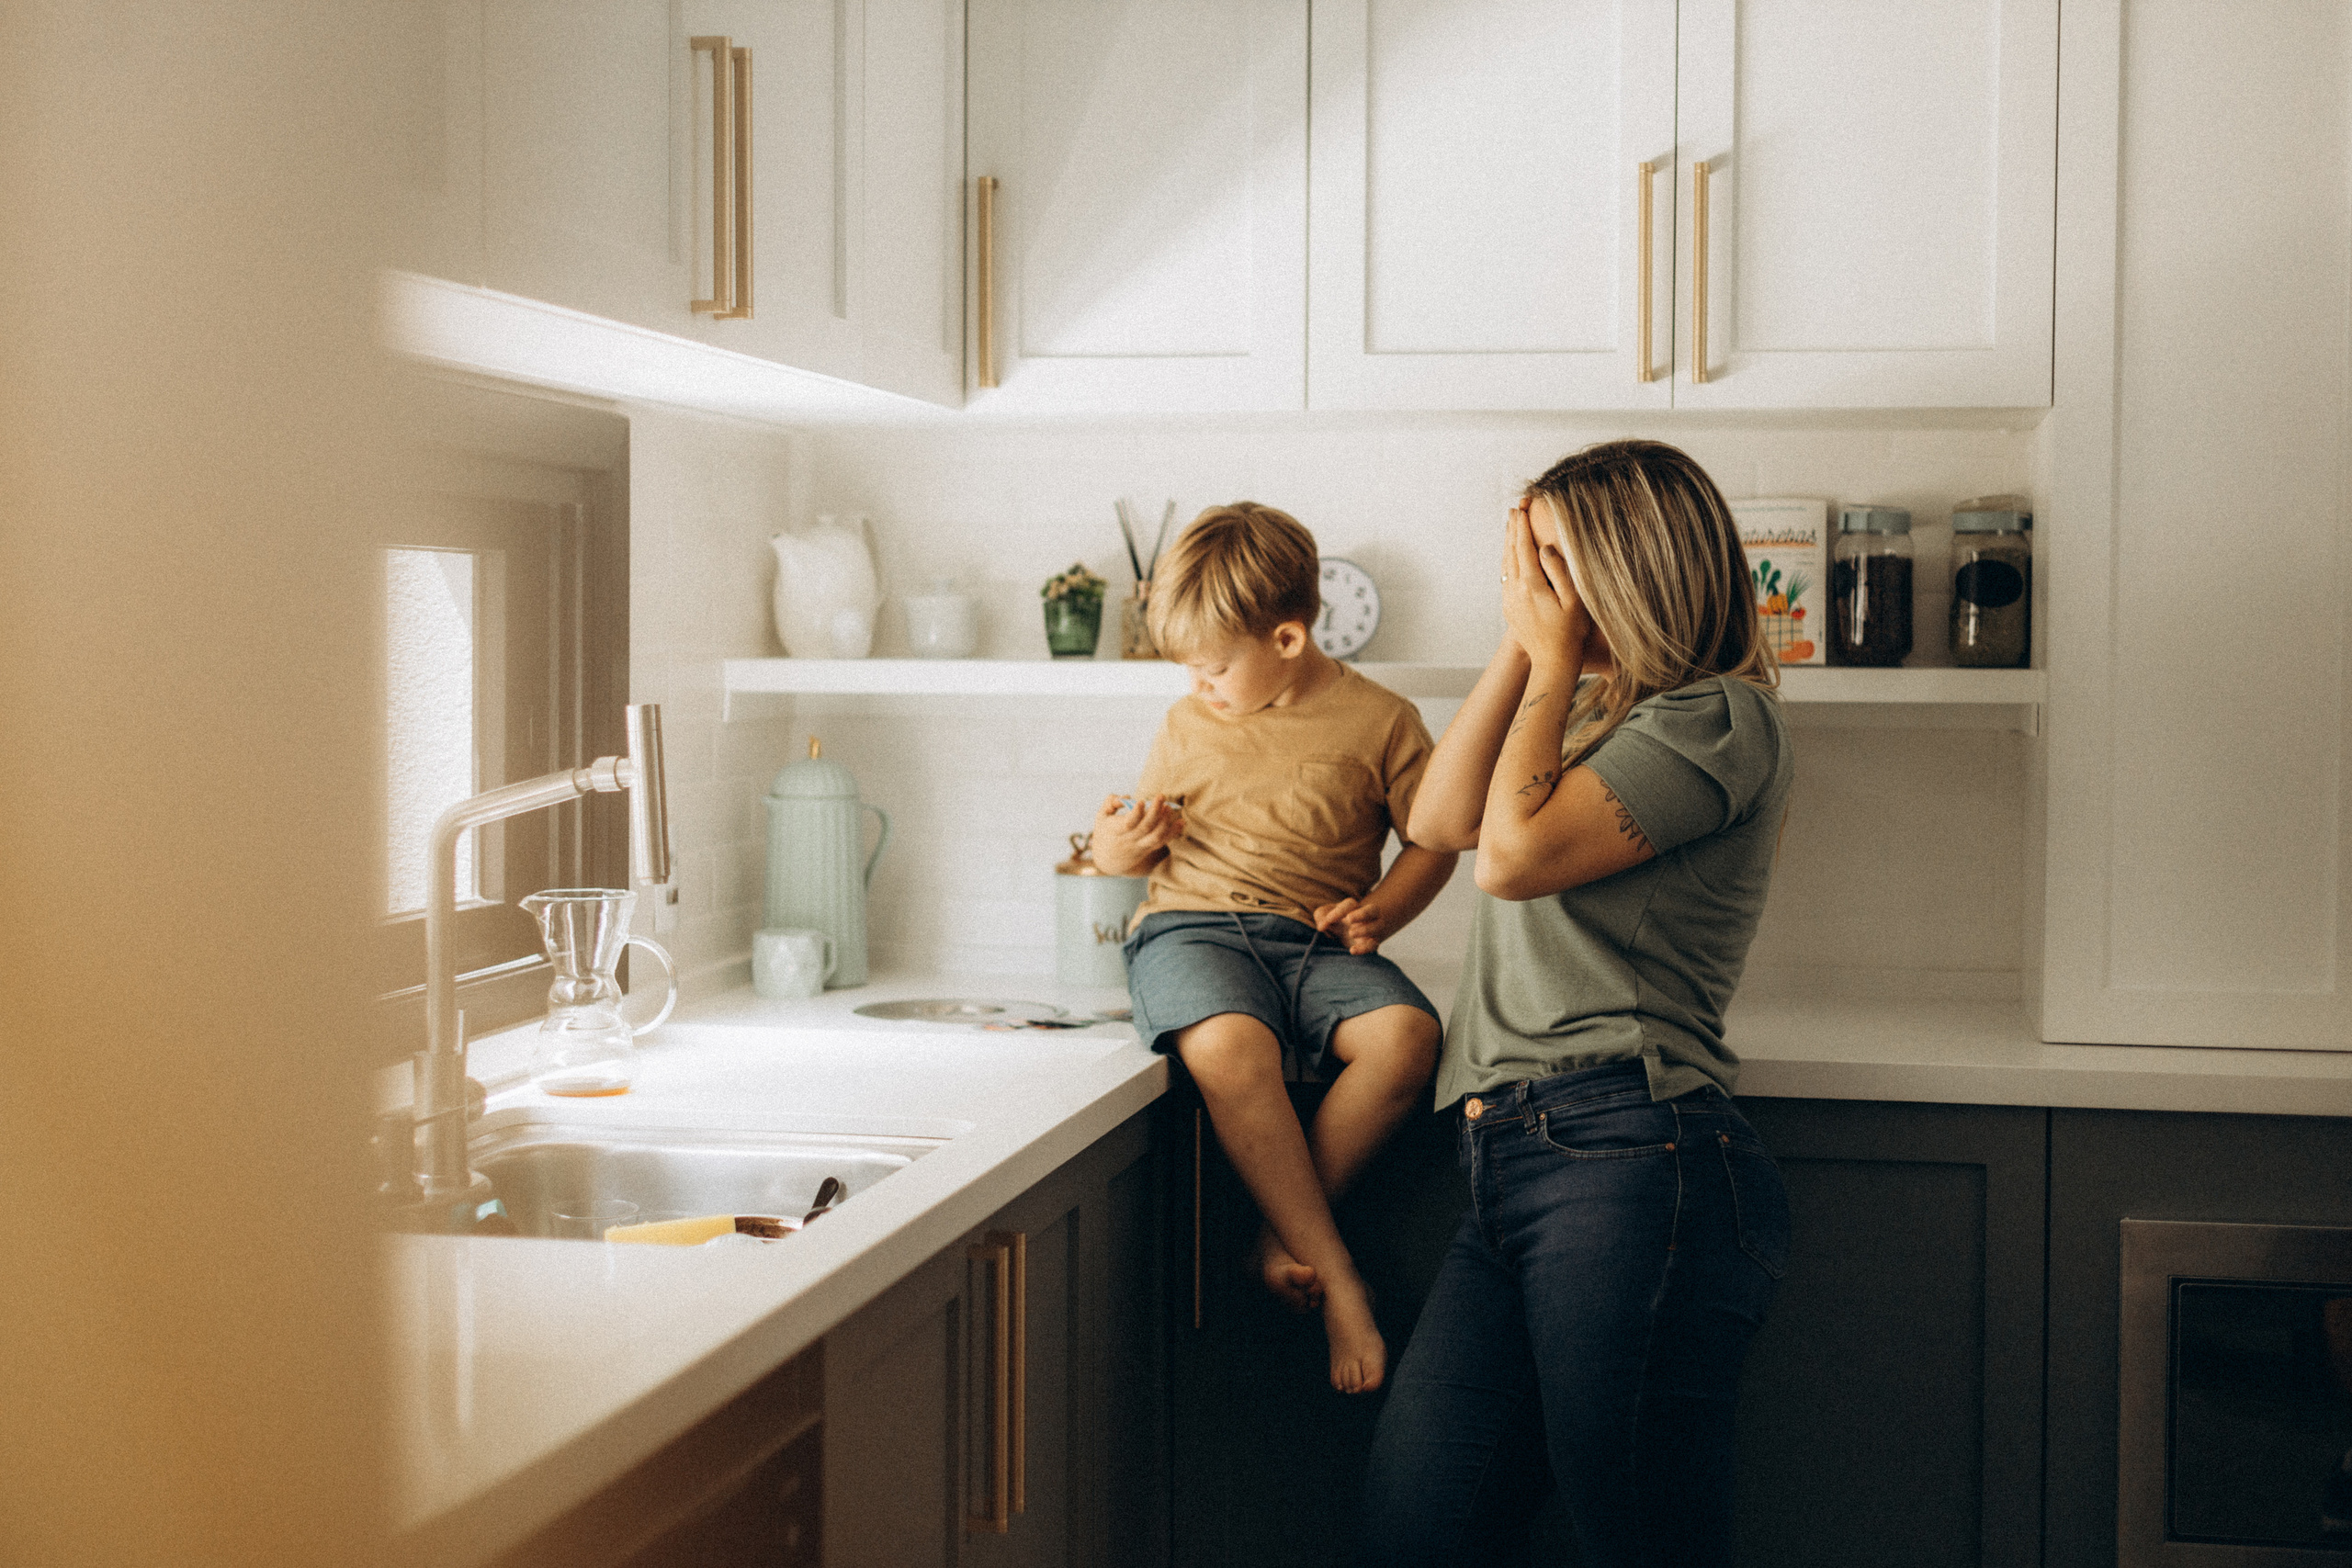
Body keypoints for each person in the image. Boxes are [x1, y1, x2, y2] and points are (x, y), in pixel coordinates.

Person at [1360, 440, 1795, 1565]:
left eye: (1556, 565)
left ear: (1635, 564)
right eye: (1527, 566)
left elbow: (1509, 859)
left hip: (1633, 1159)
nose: (1536, 588)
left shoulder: (1717, 717)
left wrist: (1550, 665)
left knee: (1642, 1542)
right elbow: (1445, 825)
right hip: (1509, 1163)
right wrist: (1524, 646)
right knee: (1419, 1530)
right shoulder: (1595, 712)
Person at [1090, 502, 1458, 1394]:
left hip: (1316, 943)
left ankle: (1281, 1237)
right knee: (1227, 1043)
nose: (1197, 686)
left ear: (1287, 637)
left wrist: (1384, 912)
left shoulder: (1382, 721)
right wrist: (1118, 850)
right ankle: (1337, 1278)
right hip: (1192, 927)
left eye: (1213, 668)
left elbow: (1436, 839)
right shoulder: (1188, 722)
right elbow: (1124, 847)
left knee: (1407, 1036)